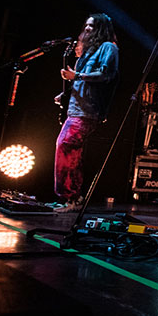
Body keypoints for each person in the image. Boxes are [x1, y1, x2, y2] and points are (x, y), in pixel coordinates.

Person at [54, 13, 120, 212]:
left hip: (88, 111)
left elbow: (105, 75)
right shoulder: (88, 52)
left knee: (65, 147)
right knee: (71, 152)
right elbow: (81, 81)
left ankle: (71, 197)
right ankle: (71, 199)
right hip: (76, 109)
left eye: (92, 26)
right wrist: (65, 92)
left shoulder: (108, 48)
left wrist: (77, 75)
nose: (88, 29)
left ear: (101, 29)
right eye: (86, 25)